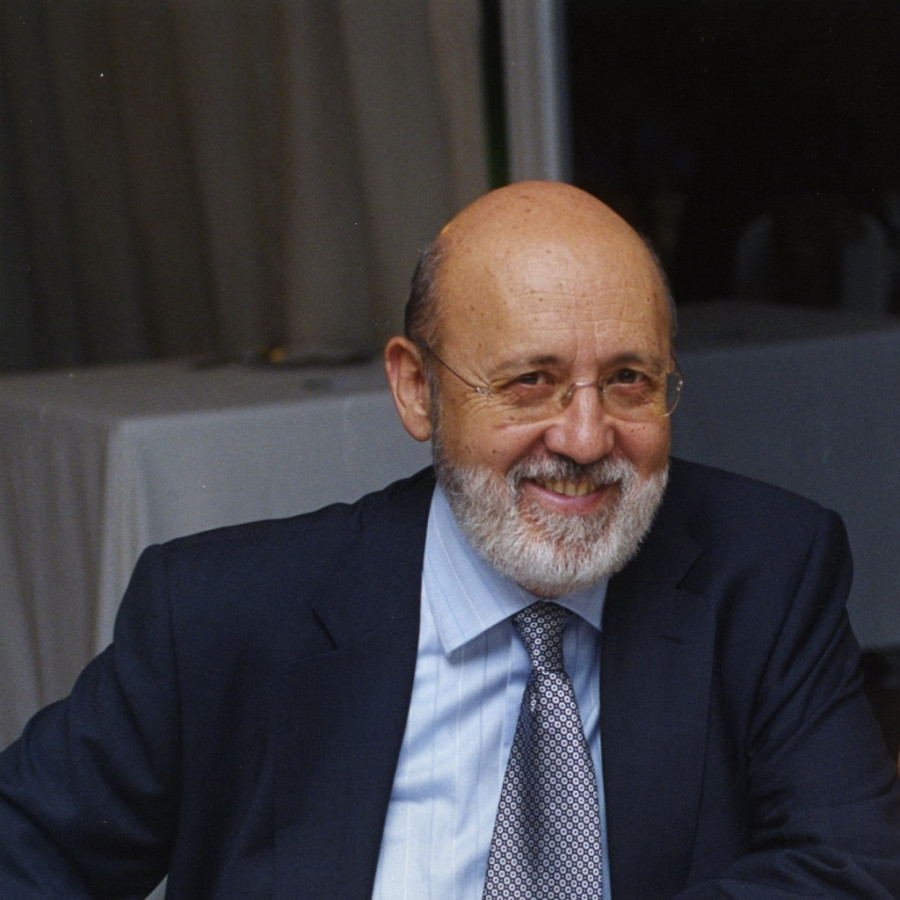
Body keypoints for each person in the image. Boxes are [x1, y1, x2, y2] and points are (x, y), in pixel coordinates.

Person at [1, 181, 898, 898]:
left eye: (628, 379)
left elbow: (849, 867)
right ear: (417, 391)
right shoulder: (221, 614)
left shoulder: (766, 572)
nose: (585, 437)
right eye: (530, 380)